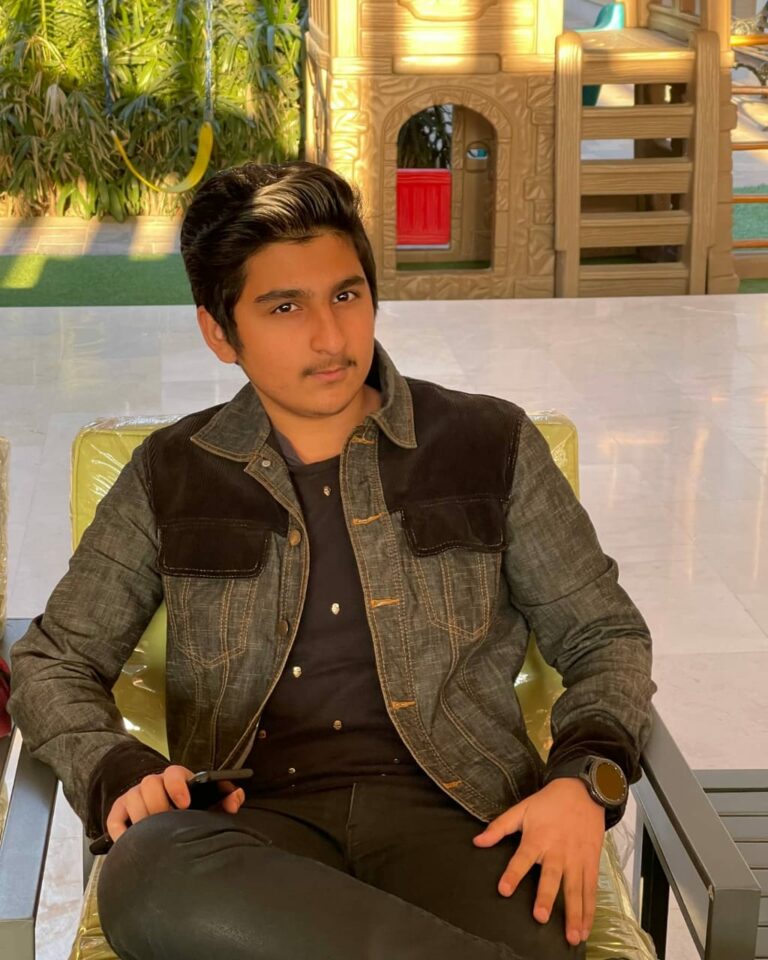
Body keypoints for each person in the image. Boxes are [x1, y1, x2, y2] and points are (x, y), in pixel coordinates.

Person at [9, 161, 655, 960]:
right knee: (147, 874)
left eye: (346, 296)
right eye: (285, 307)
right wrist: (113, 766)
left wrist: (584, 780)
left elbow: (605, 637)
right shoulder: (170, 474)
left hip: (465, 822)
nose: (330, 336)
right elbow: (51, 661)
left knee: (546, 916)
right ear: (219, 332)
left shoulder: (489, 444)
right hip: (251, 831)